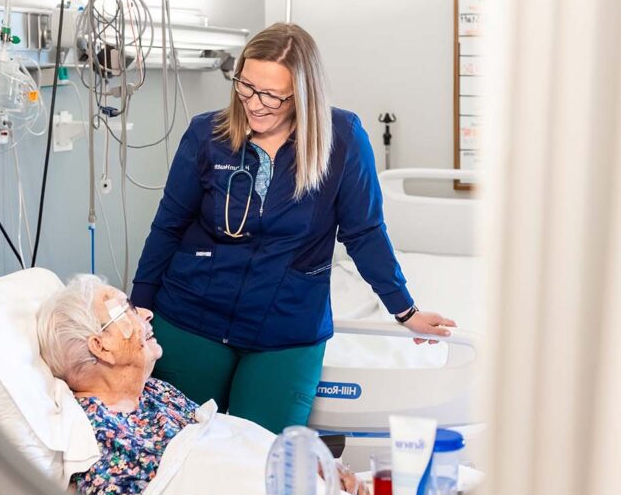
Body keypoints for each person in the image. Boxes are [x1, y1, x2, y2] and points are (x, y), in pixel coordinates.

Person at [130, 23, 454, 432]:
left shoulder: (343, 140)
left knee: (263, 463)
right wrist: (139, 302)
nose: (255, 103)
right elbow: (168, 225)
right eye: (245, 87)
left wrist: (404, 310)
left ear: (303, 94)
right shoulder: (207, 134)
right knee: (175, 448)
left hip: (285, 330)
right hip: (192, 317)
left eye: (271, 95)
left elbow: (364, 233)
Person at [36, 274, 366, 495]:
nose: (147, 314)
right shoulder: (91, 431)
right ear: (101, 347)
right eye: (129, 311)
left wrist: (313, 466)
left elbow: (229, 443)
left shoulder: (154, 392)